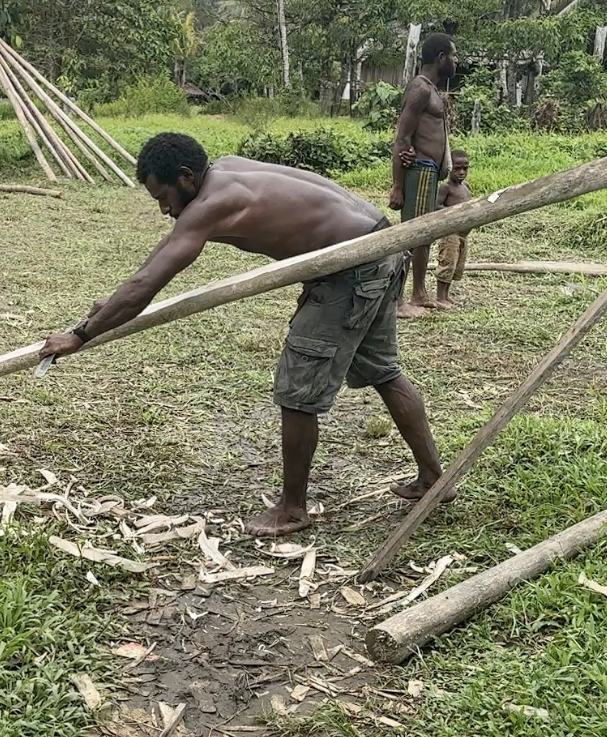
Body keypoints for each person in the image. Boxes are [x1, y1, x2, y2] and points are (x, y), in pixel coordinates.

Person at [40, 133, 451, 538]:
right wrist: (111, 304)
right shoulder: (227, 168)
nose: (165, 209)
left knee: (297, 391)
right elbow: (161, 255)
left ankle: (292, 510)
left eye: (163, 197)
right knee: (382, 371)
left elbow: (150, 282)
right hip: (378, 246)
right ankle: (433, 476)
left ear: (186, 177)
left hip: (353, 267)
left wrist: (80, 335)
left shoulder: (210, 205)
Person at [390, 33, 458, 317]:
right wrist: (397, 185)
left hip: (429, 173)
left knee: (424, 235)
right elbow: (401, 137)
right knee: (412, 236)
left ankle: (419, 293)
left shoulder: (430, 89)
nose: (456, 62)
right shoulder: (420, 89)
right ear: (441, 57)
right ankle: (396, 300)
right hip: (418, 171)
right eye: (454, 56)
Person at [435, 150, 472, 310]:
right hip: (451, 233)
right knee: (447, 263)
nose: (462, 172)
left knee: (456, 265)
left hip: (464, 234)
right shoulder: (446, 187)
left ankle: (446, 294)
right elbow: (437, 206)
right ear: (449, 168)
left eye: (465, 168)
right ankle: (439, 297)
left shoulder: (466, 187)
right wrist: (455, 215)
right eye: (457, 168)